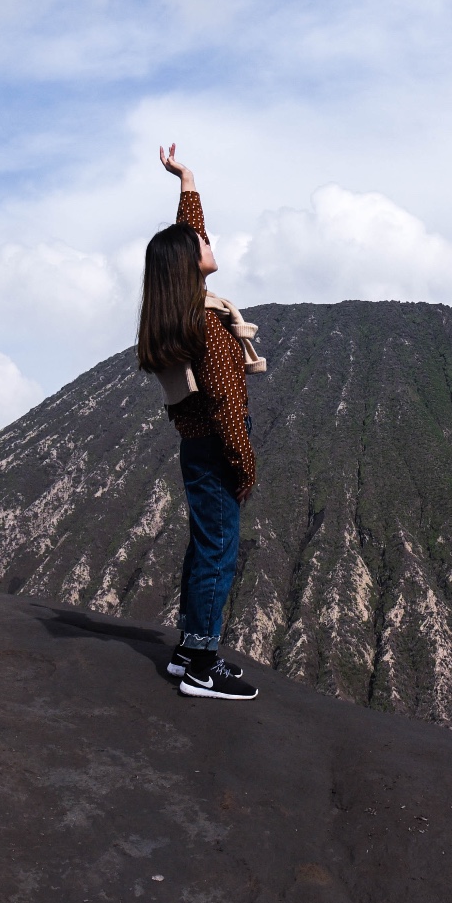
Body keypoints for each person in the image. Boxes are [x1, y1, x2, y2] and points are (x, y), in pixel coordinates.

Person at [137, 143, 268, 700]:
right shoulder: (212, 330)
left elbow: (185, 237)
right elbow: (227, 407)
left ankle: (189, 651)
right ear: (191, 261)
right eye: (204, 243)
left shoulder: (180, 313)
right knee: (220, 551)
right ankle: (201, 668)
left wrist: (187, 181)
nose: (210, 242)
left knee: (204, 546)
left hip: (194, 447)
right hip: (216, 446)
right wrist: (244, 464)